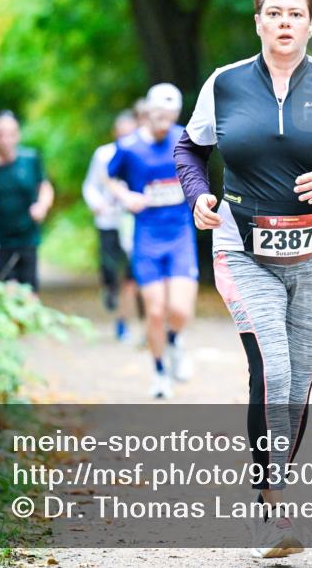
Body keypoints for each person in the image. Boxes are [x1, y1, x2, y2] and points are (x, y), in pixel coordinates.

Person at [173, 0, 312, 559]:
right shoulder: (226, 83)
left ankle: (273, 488)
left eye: (295, 14)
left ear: (311, 24)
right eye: (274, 13)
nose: (284, 23)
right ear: (258, 22)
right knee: (273, 368)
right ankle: (273, 507)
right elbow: (190, 148)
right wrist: (198, 196)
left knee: (301, 379)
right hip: (242, 247)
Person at [107, 84, 198, 399]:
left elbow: (199, 169)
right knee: (155, 311)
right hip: (146, 236)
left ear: (176, 114)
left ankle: (174, 341)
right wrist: (125, 196)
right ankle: (159, 373)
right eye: (158, 112)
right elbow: (110, 178)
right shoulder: (129, 147)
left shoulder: (185, 138)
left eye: (170, 114)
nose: (163, 120)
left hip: (180, 234)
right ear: (147, 111)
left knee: (179, 310)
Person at [0, 111, 54, 294]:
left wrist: (42, 206)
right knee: (7, 291)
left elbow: (45, 187)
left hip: (27, 235)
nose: (6, 140)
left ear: (17, 135)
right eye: (0, 134)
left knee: (30, 292)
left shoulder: (30, 159)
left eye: (10, 134)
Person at [82, 110, 140, 341]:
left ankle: (124, 321)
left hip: (131, 221)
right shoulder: (103, 155)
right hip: (107, 220)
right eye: (122, 134)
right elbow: (90, 185)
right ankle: (110, 289)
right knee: (109, 268)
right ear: (115, 132)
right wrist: (97, 204)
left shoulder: (140, 153)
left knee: (130, 274)